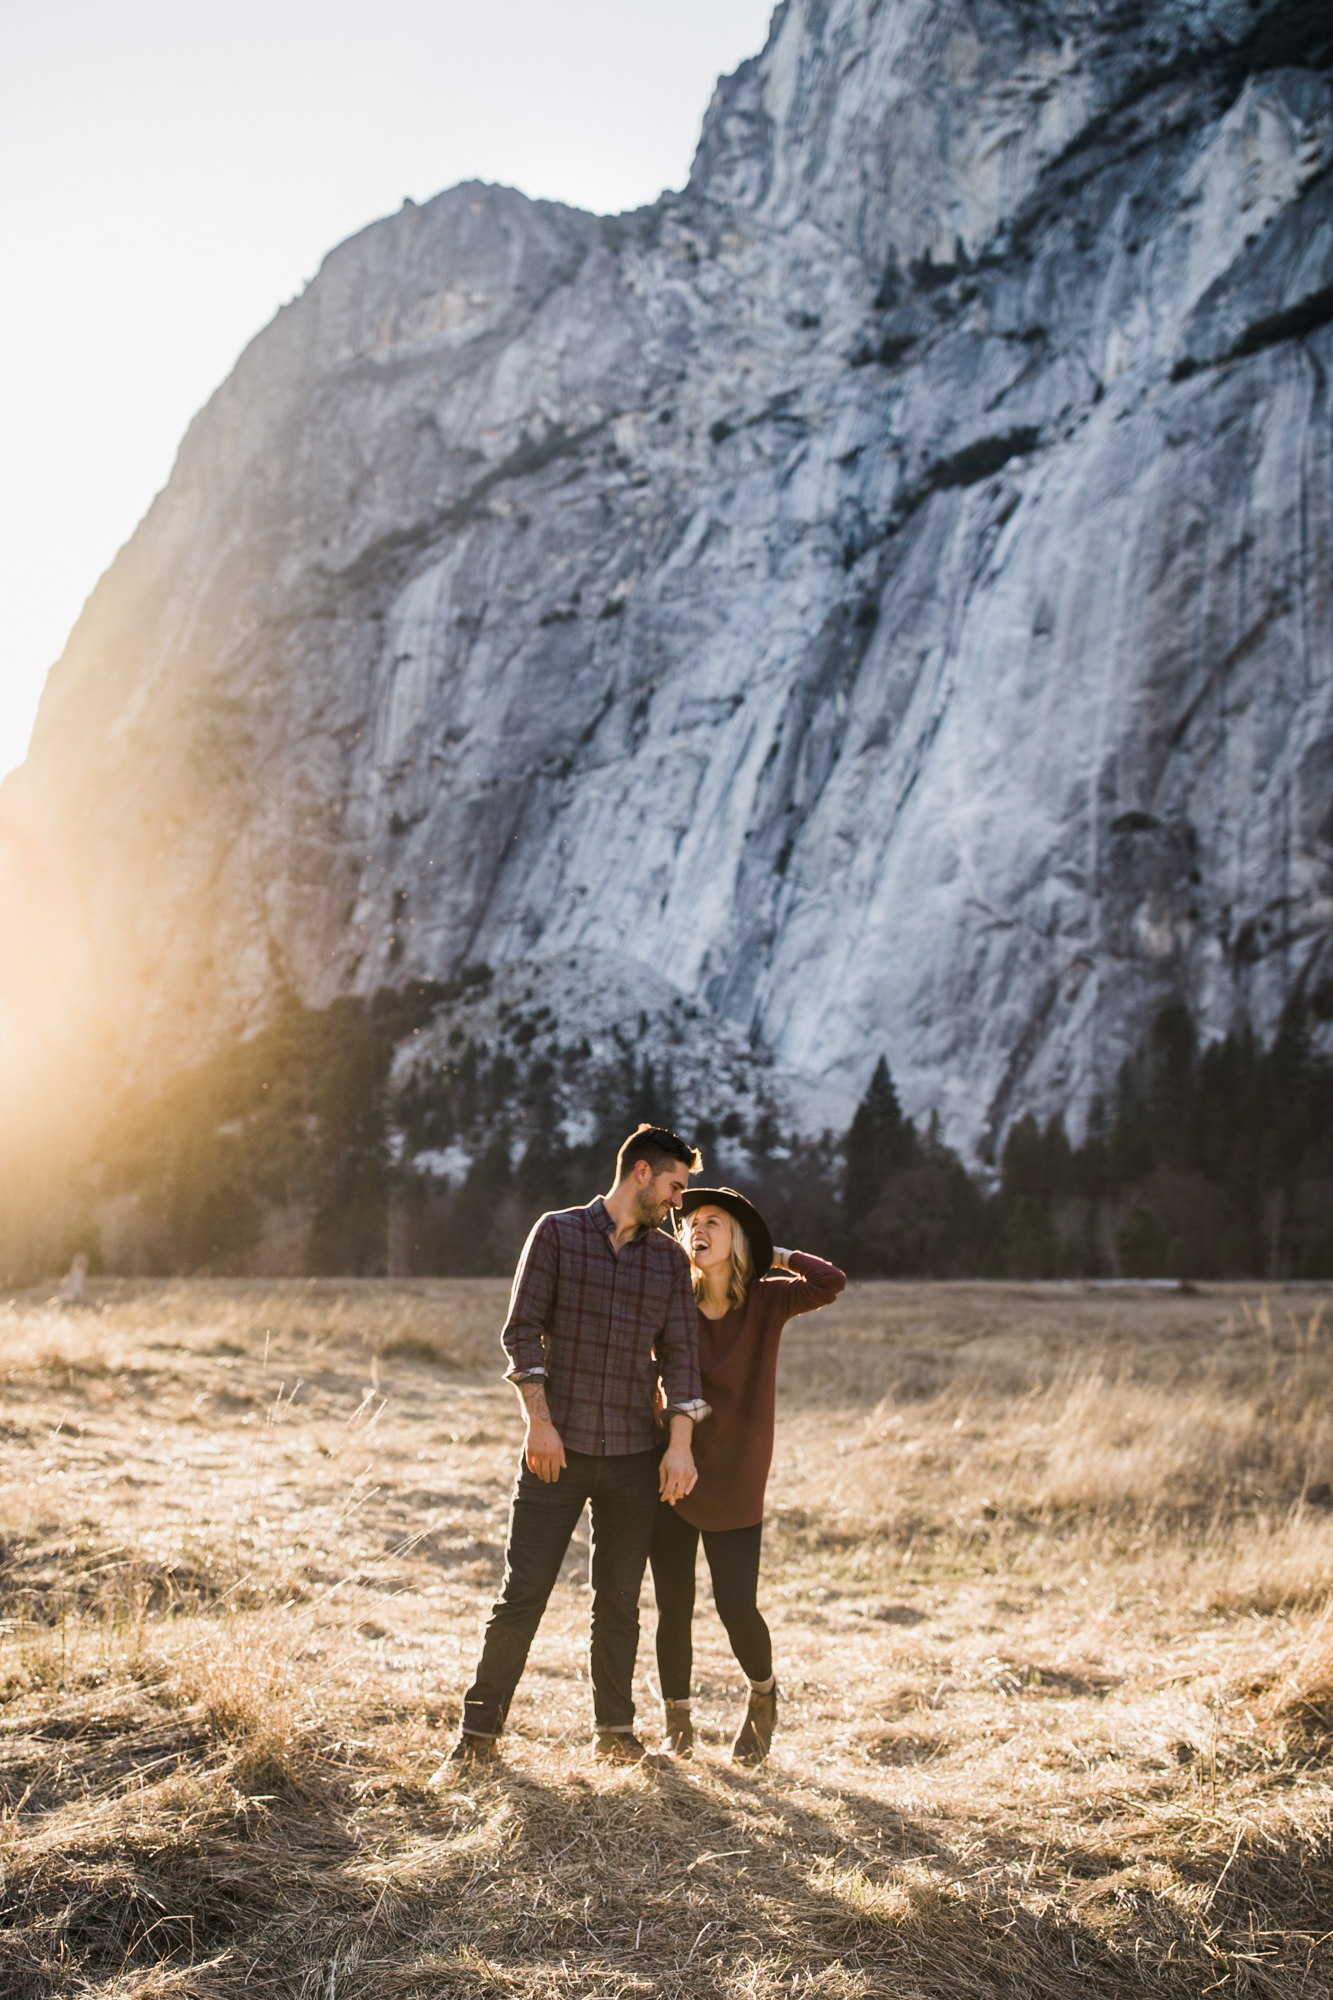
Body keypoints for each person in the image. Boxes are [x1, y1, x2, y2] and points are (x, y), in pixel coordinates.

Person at [441, 1124, 708, 1772]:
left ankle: (614, 1733)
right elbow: (521, 1332)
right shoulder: (557, 1233)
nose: (678, 1203)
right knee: (522, 1594)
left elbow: (681, 1357)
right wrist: (539, 1422)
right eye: (675, 1186)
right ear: (641, 1173)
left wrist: (679, 1446)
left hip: (634, 1460)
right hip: (554, 1452)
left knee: (617, 1601)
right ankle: (476, 1742)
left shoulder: (669, 1261)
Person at [650, 1186, 845, 1765]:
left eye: (715, 1222)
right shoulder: (672, 1298)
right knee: (673, 1603)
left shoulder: (766, 1299)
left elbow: (830, 1282)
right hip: (672, 1463)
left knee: (737, 1606)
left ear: (737, 1240)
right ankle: (677, 1722)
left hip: (736, 1471)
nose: (698, 1229)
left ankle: (763, 1696)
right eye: (693, 1223)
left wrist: (775, 1254)